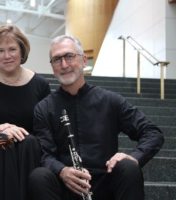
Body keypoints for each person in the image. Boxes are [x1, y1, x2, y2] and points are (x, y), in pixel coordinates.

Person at [28, 35, 164, 200]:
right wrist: (62, 171)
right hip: (66, 184)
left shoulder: (110, 100)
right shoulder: (44, 108)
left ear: (84, 60)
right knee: (39, 176)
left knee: (128, 167)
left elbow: (152, 132)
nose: (64, 64)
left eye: (69, 56)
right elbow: (45, 154)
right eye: (57, 59)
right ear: (52, 66)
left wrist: (134, 157)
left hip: (106, 182)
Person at [0, 24, 51, 200]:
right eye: (0, 51)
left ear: (22, 51)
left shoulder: (40, 85)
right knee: (3, 142)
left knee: (27, 142)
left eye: (12, 49)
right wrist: (0, 131)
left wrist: (17, 133)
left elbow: (46, 130)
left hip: (28, 151)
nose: (6, 56)